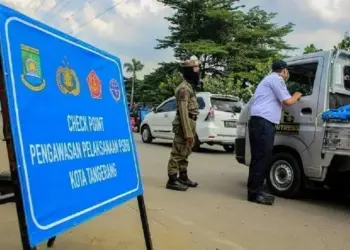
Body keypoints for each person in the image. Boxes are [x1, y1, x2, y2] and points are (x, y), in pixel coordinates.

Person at [247, 60, 302, 205]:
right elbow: (288, 101)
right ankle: (255, 193)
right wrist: (297, 95)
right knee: (262, 157)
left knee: (258, 157)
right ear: (283, 70)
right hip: (264, 122)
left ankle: (255, 190)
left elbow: (282, 102)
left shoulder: (268, 79)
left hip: (258, 121)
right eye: (287, 71)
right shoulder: (277, 80)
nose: (287, 74)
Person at [166, 56, 201, 191]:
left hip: (191, 122)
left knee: (186, 151)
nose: (197, 73)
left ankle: (183, 176)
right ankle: (172, 179)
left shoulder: (190, 88)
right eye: (195, 69)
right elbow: (183, 112)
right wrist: (187, 132)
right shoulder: (183, 89)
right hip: (184, 123)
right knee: (178, 152)